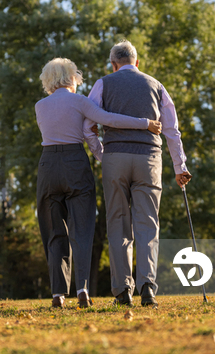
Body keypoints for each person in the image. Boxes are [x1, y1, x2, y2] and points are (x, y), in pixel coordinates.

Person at [35, 57, 162, 309]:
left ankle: (58, 294)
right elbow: (110, 119)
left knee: (53, 231)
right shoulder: (79, 101)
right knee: (82, 230)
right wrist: (145, 123)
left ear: (49, 81)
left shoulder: (40, 105)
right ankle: (82, 289)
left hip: (48, 166)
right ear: (72, 78)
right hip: (75, 164)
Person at [84, 40, 192, 307]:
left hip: (115, 158)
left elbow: (87, 126)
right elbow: (172, 131)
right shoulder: (157, 86)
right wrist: (180, 167)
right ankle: (147, 289)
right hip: (149, 160)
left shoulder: (103, 84)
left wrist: (101, 154)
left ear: (113, 64)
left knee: (118, 223)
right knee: (147, 224)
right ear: (137, 62)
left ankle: (122, 291)